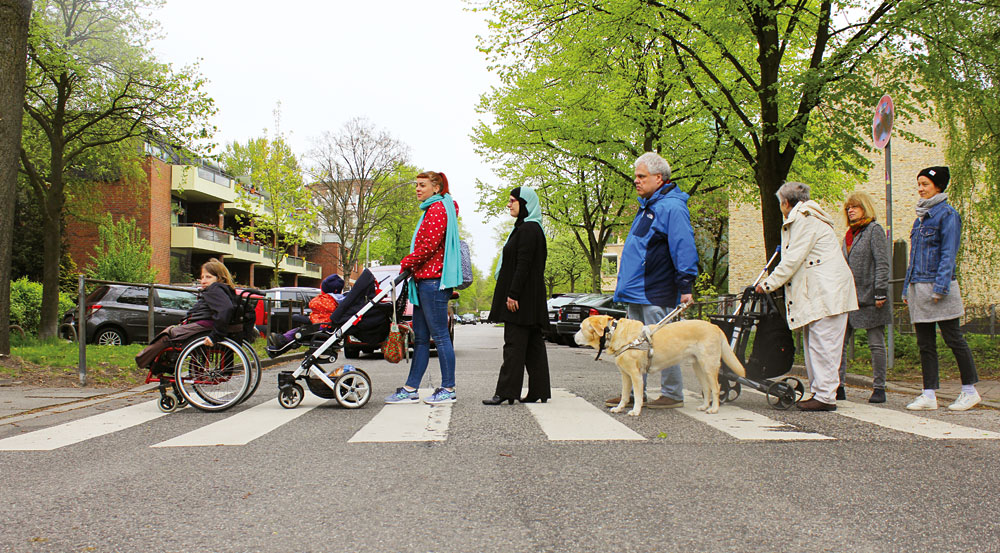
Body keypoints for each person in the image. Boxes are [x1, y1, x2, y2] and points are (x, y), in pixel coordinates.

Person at [607, 152, 698, 409]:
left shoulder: (672, 207)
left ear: (659, 178)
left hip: (654, 290)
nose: (636, 181)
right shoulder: (648, 206)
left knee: (662, 342)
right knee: (634, 344)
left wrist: (685, 285)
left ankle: (672, 393)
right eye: (636, 176)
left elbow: (683, 246)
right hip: (636, 291)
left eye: (641, 176)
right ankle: (636, 393)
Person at [756, 182, 858, 411]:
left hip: (827, 292)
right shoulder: (806, 218)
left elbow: (792, 259)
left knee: (824, 345)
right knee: (817, 344)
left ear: (785, 202)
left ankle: (825, 396)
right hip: (822, 291)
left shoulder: (805, 219)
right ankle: (821, 392)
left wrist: (768, 284)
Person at [902, 166, 980, 411]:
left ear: (938, 186)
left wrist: (941, 287)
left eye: (925, 184)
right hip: (919, 286)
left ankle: (970, 390)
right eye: (919, 183)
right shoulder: (920, 218)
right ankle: (929, 394)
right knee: (925, 344)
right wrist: (907, 288)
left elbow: (949, 252)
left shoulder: (947, 214)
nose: (920, 188)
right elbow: (914, 256)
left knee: (954, 339)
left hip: (938, 287)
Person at [384, 171, 462, 405]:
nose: (417, 189)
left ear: (436, 187)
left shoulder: (438, 209)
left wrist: (407, 262)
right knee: (420, 339)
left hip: (433, 282)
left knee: (439, 336)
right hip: (423, 282)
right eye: (416, 185)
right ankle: (410, 389)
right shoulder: (432, 208)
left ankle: (448, 388)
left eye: (422, 185)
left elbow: (430, 244)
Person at [484, 186, 551, 405]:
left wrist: (512, 294)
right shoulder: (532, 228)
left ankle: (506, 392)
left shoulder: (527, 230)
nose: (509, 204)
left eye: (513, 200)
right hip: (531, 298)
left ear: (525, 203)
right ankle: (538, 391)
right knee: (533, 346)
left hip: (521, 300)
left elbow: (523, 265)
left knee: (513, 345)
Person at [135, 258, 237, 371]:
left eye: (208, 277)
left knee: (169, 335)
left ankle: (146, 362)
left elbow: (226, 309)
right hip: (204, 324)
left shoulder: (215, 289)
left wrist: (215, 335)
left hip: (205, 326)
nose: (203, 281)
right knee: (171, 333)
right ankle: (159, 363)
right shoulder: (221, 290)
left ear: (219, 278)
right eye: (202, 277)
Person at [838, 191, 892, 403]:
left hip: (871, 295)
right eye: (848, 208)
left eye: (855, 207)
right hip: (849, 297)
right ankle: (838, 386)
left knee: (876, 344)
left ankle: (879, 388)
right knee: (840, 344)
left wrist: (880, 291)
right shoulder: (849, 235)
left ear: (865, 208)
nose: (850, 210)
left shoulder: (874, 230)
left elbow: (882, 262)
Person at [267, 273, 344, 349]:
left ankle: (282, 339)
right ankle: (282, 342)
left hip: (321, 326)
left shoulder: (327, 299)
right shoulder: (339, 300)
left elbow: (313, 303)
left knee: (300, 330)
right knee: (300, 329)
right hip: (327, 326)